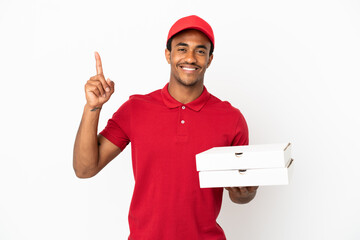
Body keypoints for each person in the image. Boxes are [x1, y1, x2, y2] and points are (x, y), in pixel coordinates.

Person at [73, 15, 258, 240]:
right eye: (182, 49)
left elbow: (240, 196)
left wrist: (246, 193)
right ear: (168, 55)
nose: (190, 58)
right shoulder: (136, 109)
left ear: (209, 59)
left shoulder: (231, 118)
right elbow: (85, 169)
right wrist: (92, 107)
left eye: (200, 51)